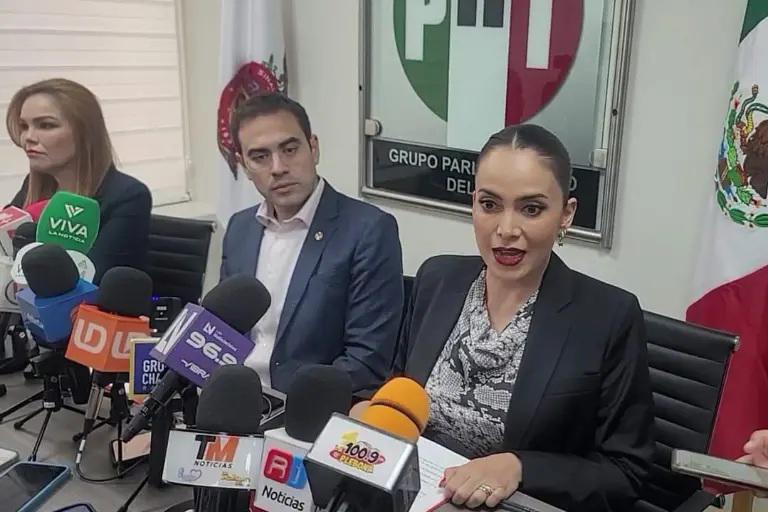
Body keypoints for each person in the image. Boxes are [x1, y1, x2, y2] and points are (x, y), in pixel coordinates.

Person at [394, 124, 655, 511]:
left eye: (531, 209)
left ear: (566, 214)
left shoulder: (609, 317)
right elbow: (395, 388)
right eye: (490, 205)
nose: (506, 230)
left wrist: (521, 467)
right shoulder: (437, 279)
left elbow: (627, 472)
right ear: (473, 204)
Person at [220, 93, 403, 394]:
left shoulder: (368, 230)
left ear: (313, 148)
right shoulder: (240, 228)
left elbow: (366, 362)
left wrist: (291, 408)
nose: (278, 167)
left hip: (308, 408)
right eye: (260, 157)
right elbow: (222, 333)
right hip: (234, 399)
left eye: (290, 149)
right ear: (243, 165)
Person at [6, 78, 152, 283]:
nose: (28, 137)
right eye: (24, 126)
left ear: (85, 132)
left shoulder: (128, 196)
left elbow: (91, 280)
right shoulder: (33, 186)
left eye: (46, 125)